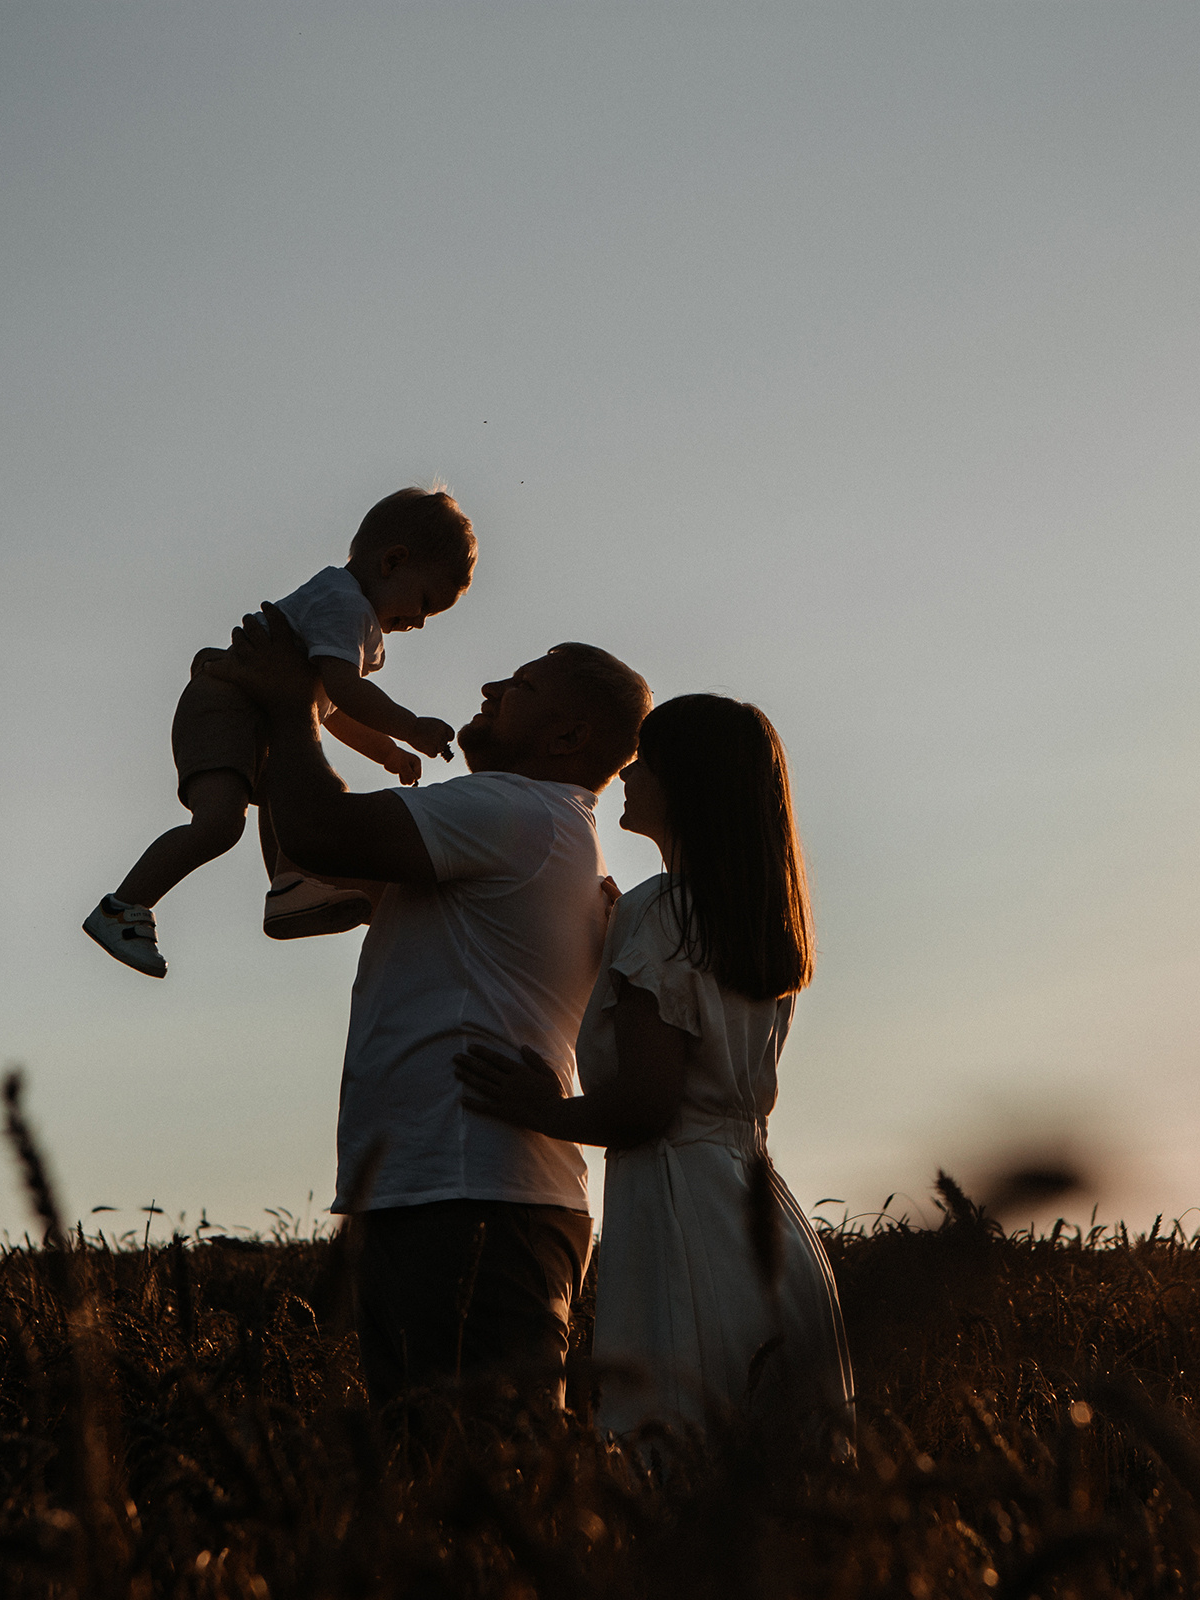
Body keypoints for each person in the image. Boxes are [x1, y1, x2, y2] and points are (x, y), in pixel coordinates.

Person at [200, 600, 651, 1408]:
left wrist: (291, 704)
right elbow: (301, 874)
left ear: (568, 737)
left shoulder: (514, 811)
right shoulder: (520, 829)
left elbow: (322, 829)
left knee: (483, 1469)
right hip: (444, 1188)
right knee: (436, 1470)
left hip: (473, 1193)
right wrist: (278, 731)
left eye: (523, 684)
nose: (490, 684)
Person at [455, 694, 854, 1441]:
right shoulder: (741, 921)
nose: (630, 771)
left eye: (649, 758)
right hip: (765, 1219)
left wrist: (537, 1107)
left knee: (677, 1459)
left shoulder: (660, 914)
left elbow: (645, 1105)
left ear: (688, 782)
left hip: (684, 1220)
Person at [83, 487, 476, 979]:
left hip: (249, 710)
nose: (419, 622)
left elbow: (325, 712)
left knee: (292, 788)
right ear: (393, 561)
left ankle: (292, 884)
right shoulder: (344, 604)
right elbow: (343, 691)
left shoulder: (345, 610)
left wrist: (387, 754)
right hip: (226, 704)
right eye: (423, 603)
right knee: (220, 824)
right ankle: (123, 907)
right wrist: (409, 726)